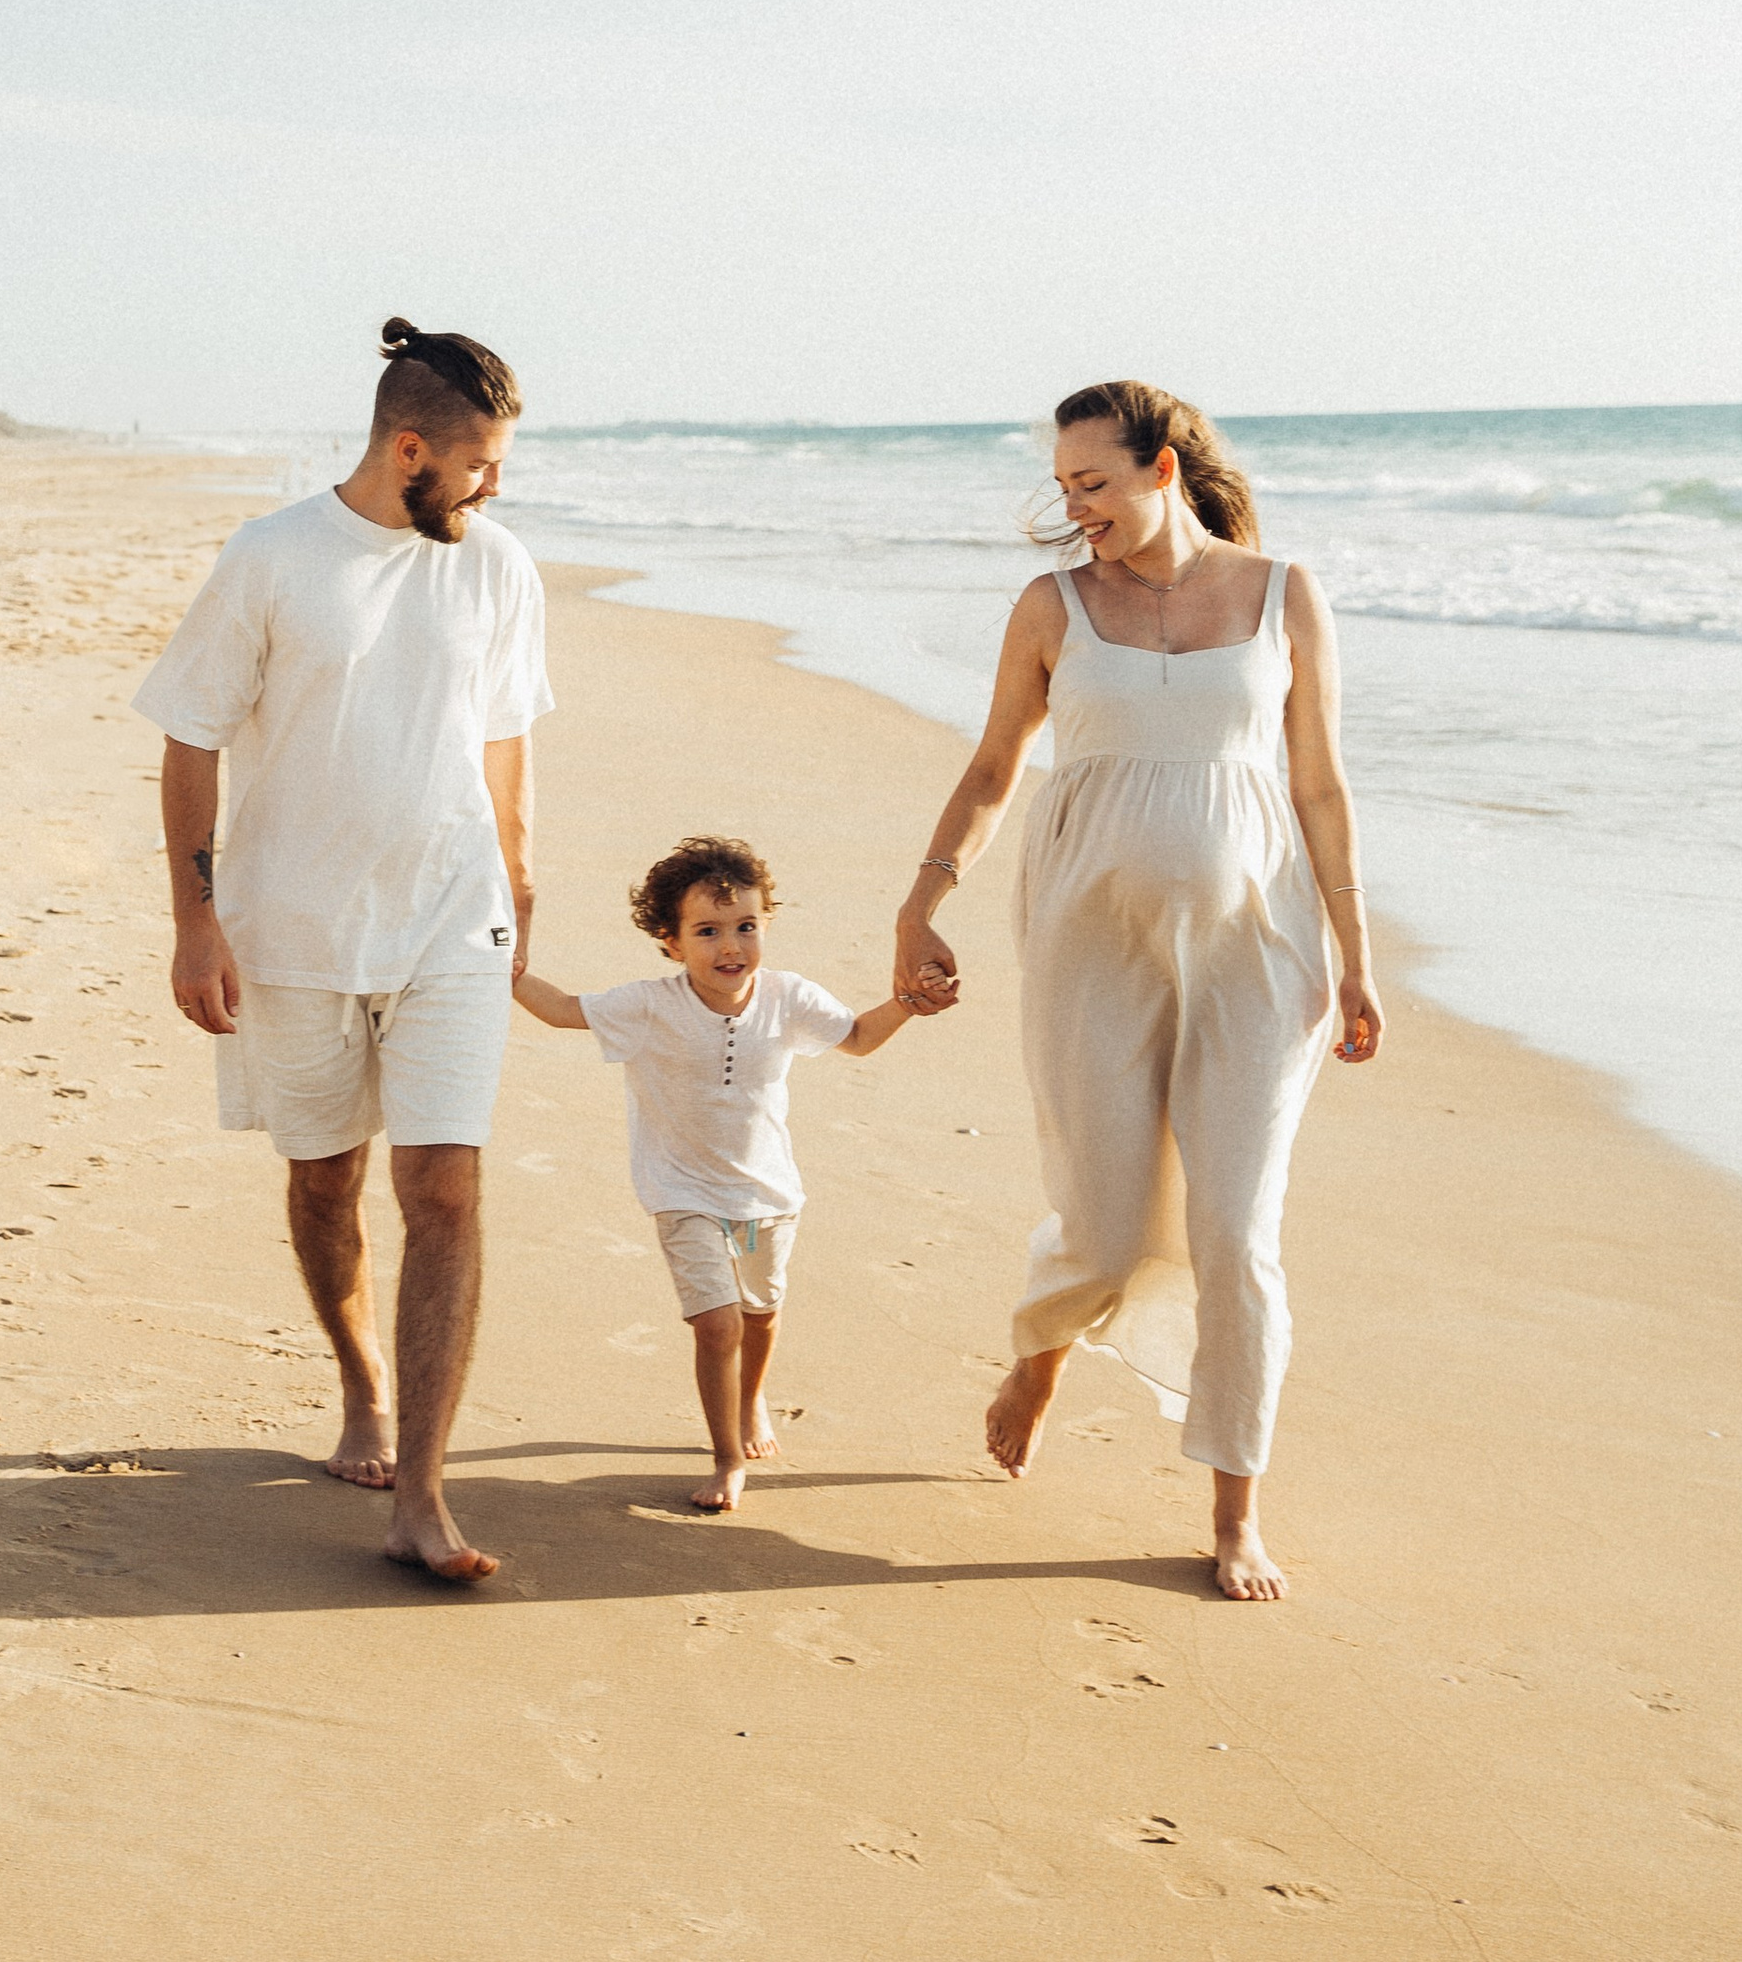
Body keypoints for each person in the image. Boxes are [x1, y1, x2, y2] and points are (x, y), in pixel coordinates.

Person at [893, 380, 1384, 1601]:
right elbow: (998, 761)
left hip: (1259, 941)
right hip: (1088, 935)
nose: (1076, 508)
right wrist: (921, 900)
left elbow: (1319, 784)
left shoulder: (1283, 595)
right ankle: (1044, 1348)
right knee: (1107, 1220)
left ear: (1164, 469)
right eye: (1063, 487)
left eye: (1094, 483)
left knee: (1234, 1228)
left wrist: (1356, 952)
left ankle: (1233, 1510)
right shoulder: (1053, 606)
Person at [135, 315, 550, 1585]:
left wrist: (519, 891)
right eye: (478, 463)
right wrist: (192, 919)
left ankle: (421, 1492)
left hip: (450, 919)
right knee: (325, 1180)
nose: (494, 485)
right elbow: (191, 737)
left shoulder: (497, 567)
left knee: (445, 1190)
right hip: (295, 924)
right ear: (409, 447)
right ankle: (362, 1385)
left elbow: (506, 742)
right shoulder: (273, 558)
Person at [515, 835, 931, 1511]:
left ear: (766, 924)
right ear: (670, 940)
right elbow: (563, 1009)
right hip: (683, 1193)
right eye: (707, 931)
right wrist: (506, 971)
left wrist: (909, 1003)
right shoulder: (650, 1005)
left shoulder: (787, 997)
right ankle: (726, 1456)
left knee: (760, 1313)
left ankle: (751, 1397)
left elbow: (855, 1036)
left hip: (764, 1195)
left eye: (746, 926)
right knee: (718, 1323)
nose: (730, 945)